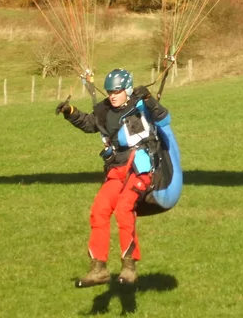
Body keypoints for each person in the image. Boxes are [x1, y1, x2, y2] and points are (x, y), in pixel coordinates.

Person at [55, 68, 169, 288]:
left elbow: (164, 119)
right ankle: (98, 268)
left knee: (125, 207)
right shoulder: (104, 109)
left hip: (140, 168)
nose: (112, 95)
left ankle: (129, 266)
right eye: (109, 91)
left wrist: (149, 98)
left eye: (117, 91)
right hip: (116, 170)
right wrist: (71, 112)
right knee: (99, 209)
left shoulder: (141, 106)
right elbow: (91, 124)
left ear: (126, 89)